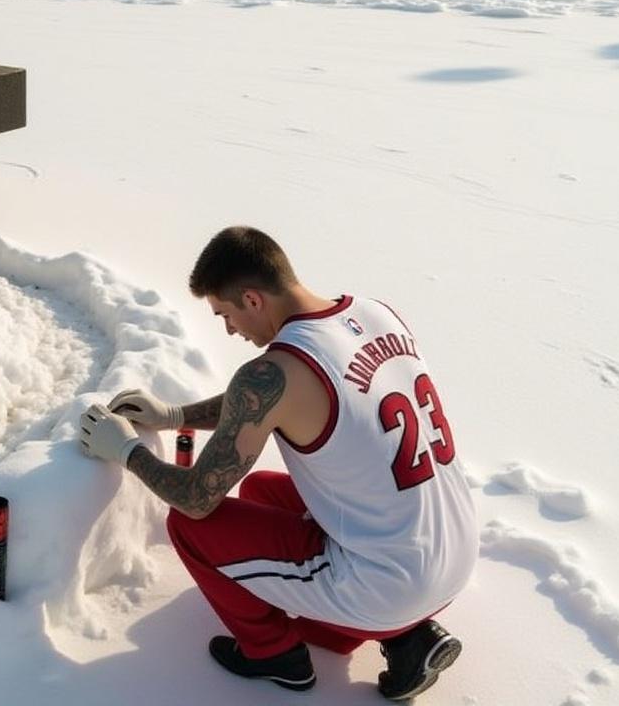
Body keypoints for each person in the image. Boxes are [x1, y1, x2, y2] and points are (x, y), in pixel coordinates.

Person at [78, 226, 477, 701]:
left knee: (190, 527)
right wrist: (176, 415)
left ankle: (274, 656)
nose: (229, 329)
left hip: (391, 584)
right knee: (263, 490)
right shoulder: (373, 314)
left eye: (226, 314)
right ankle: (406, 636)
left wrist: (126, 450)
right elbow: (271, 395)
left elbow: (197, 498)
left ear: (252, 299)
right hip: (452, 552)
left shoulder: (273, 373)